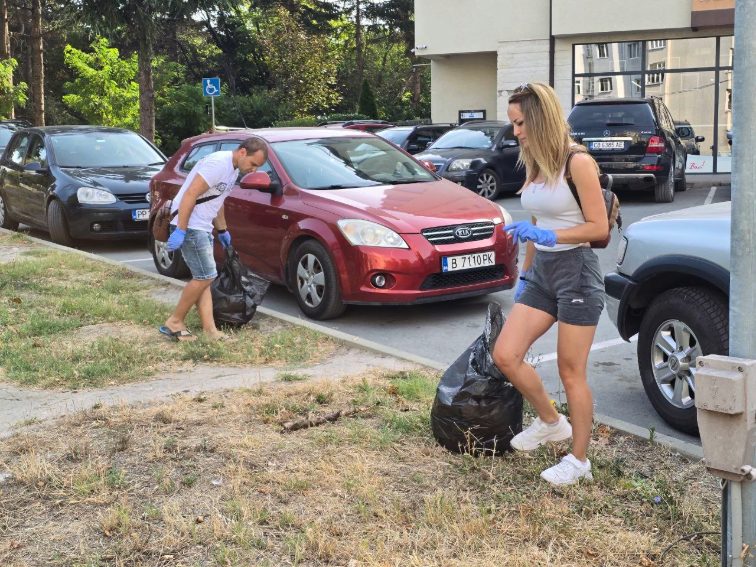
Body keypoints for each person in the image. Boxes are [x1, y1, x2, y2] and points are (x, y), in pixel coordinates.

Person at [493, 82, 608, 486]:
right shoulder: (536, 162)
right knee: (505, 354)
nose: (516, 131)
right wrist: (526, 272)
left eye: (521, 122)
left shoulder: (577, 162)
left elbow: (598, 227)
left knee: (571, 370)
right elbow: (537, 224)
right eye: (513, 123)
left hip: (576, 270)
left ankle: (579, 461)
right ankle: (550, 422)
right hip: (543, 272)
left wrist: (551, 238)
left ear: (540, 119)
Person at [158, 137, 268, 341]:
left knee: (205, 278)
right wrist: (181, 230)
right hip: (191, 225)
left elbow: (217, 201)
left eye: (257, 168)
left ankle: (210, 331)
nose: (253, 171)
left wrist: (222, 230)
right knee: (205, 276)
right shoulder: (219, 163)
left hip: (202, 226)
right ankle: (174, 322)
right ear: (243, 152)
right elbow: (191, 194)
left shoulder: (233, 169)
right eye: (253, 164)